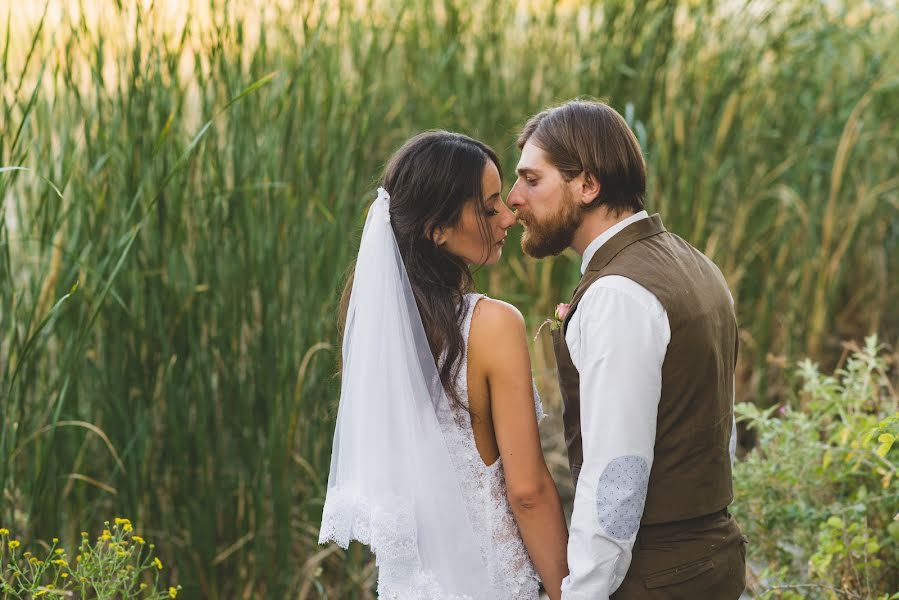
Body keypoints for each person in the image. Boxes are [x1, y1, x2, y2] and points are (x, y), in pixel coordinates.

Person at [507, 100, 746, 599]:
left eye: (532, 180)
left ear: (587, 185)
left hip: (656, 577)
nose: (513, 198)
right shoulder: (697, 265)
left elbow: (617, 476)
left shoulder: (617, 295)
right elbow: (715, 435)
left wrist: (584, 592)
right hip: (716, 557)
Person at [318, 131, 568, 599]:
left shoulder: (377, 333)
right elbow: (527, 491)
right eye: (489, 207)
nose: (509, 218)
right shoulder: (492, 326)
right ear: (437, 230)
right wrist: (569, 593)